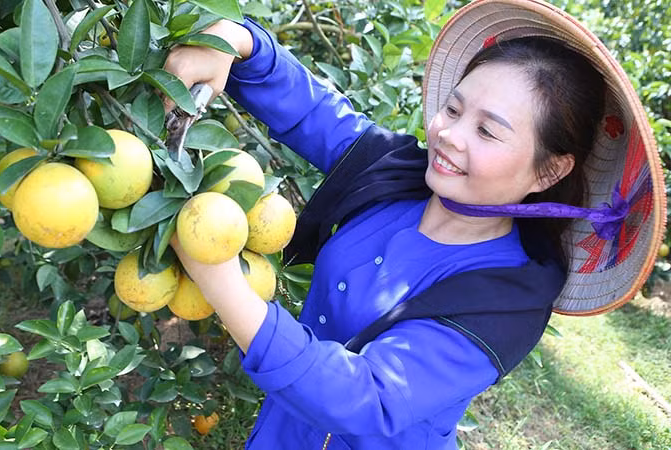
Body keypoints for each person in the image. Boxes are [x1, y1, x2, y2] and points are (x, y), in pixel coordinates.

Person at [162, 0, 665, 448]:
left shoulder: (507, 299)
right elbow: (315, 112)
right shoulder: (398, 173)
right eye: (453, 108)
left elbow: (370, 399)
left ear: (549, 170)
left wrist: (218, 277)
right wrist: (238, 41)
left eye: (487, 131)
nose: (448, 134)